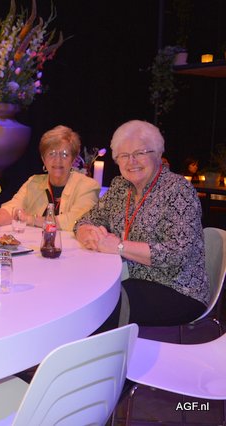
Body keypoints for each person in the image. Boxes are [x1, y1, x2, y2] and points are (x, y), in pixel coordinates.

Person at [75, 120, 209, 327]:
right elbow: (88, 219)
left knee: (101, 305)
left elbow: (177, 253)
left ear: (157, 154)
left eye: (140, 153)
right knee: (83, 289)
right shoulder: (120, 187)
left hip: (177, 287)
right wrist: (85, 232)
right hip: (131, 277)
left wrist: (119, 247)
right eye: (124, 155)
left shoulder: (178, 190)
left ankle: (98, 348)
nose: (132, 161)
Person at [0, 125, 100, 231]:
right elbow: (12, 208)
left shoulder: (88, 186)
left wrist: (32, 220)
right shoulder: (34, 182)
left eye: (64, 154)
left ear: (73, 160)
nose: (58, 160)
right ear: (43, 159)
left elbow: (77, 219)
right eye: (52, 154)